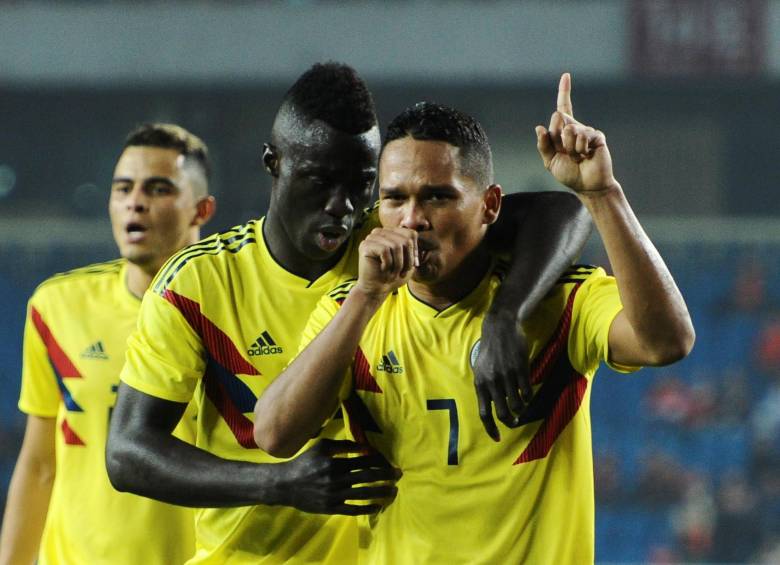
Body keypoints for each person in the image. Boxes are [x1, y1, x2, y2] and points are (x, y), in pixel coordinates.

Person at [106, 63, 590, 564]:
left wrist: (506, 313)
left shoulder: (392, 236)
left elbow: (562, 212)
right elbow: (128, 453)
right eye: (320, 181)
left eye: (361, 183)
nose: (341, 206)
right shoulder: (198, 284)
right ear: (273, 162)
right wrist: (277, 483)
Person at [253, 74, 696, 564]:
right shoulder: (348, 311)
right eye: (395, 198)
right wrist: (366, 296)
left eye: (437, 197)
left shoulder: (562, 303)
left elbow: (666, 342)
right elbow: (275, 435)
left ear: (489, 206)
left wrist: (603, 193)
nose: (412, 218)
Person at [0, 123, 216, 564]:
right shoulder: (57, 306)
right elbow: (40, 464)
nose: (135, 201)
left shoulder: (234, 317)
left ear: (202, 210)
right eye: (123, 188)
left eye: (158, 189)